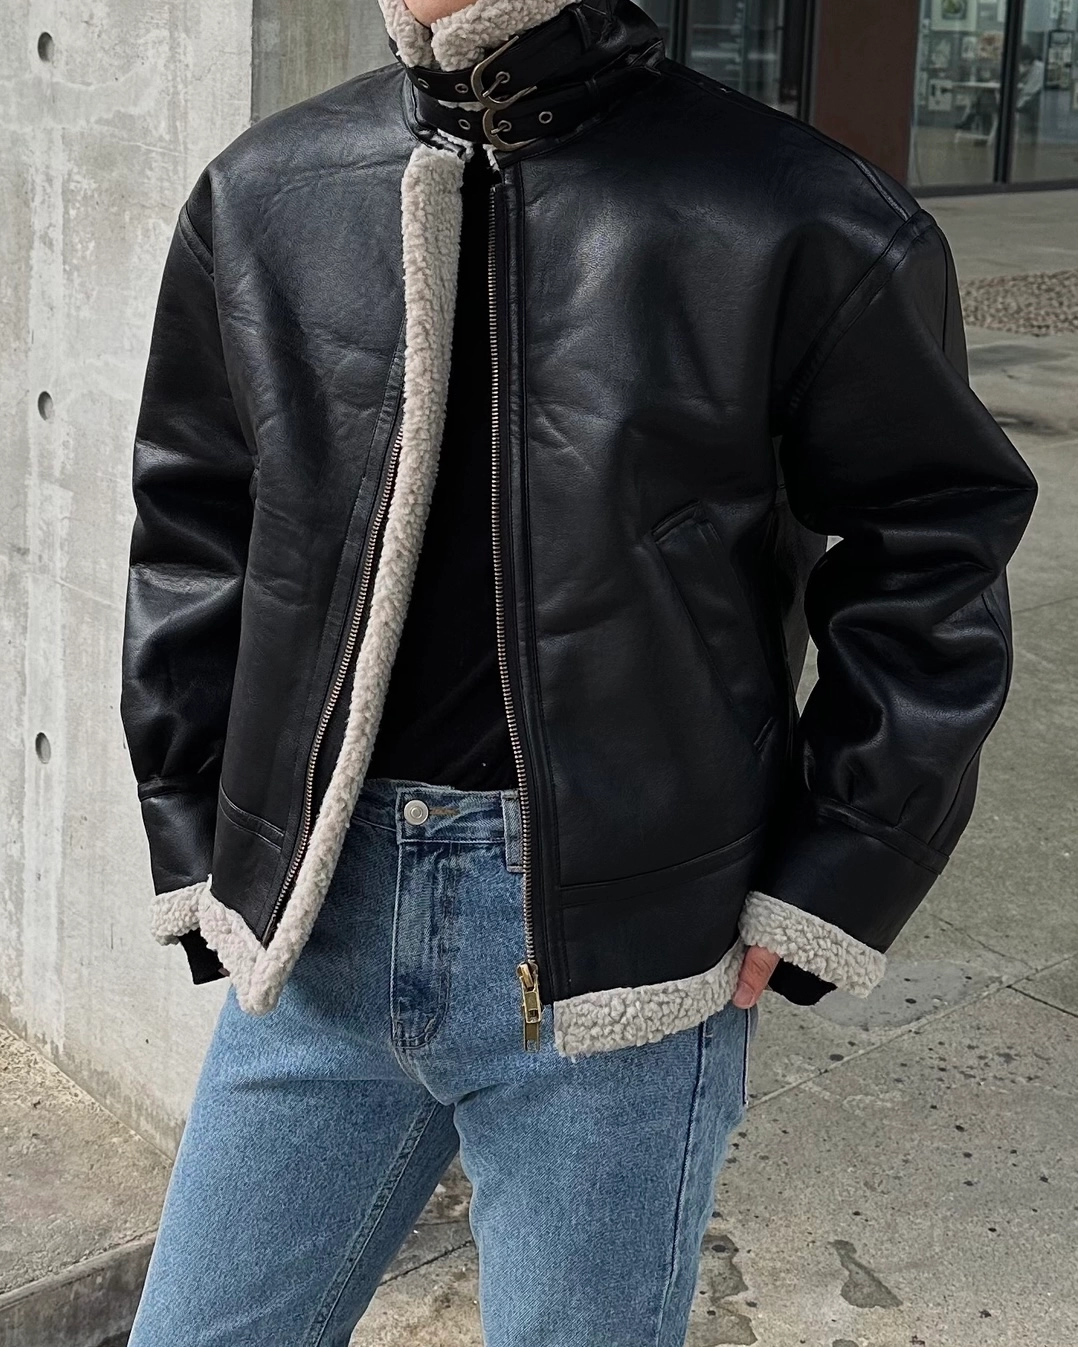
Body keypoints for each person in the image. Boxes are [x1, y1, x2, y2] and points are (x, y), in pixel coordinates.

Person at [119, 0, 1037, 1342]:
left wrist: (837, 871)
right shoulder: (266, 190)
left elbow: (933, 546)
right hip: (316, 930)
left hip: (624, 954)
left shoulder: (795, 211)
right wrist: (198, 825)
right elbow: (195, 524)